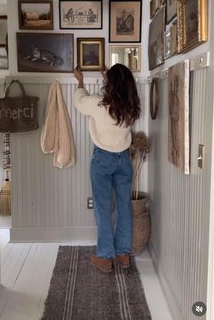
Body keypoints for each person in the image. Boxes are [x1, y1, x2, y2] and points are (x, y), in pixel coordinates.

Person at [74, 63, 141, 273]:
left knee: (103, 208)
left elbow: (79, 102)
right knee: (124, 207)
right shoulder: (130, 107)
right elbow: (117, 96)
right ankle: (123, 255)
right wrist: (108, 76)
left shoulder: (98, 104)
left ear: (110, 84)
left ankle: (105, 257)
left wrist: (80, 82)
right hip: (124, 159)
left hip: (103, 160)